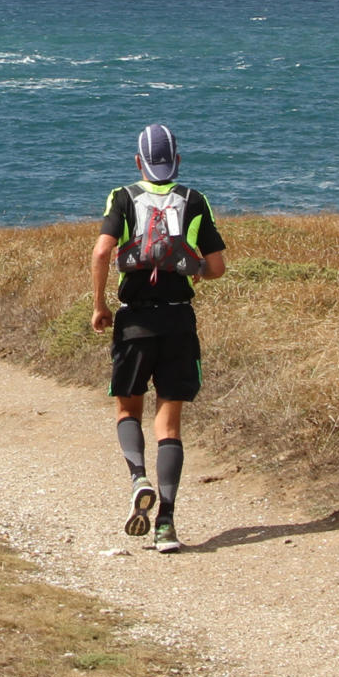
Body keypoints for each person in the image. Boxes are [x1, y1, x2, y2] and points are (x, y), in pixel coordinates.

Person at [89, 123, 226, 553]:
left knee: (127, 410)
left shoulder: (122, 197)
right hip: (178, 321)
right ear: (177, 161)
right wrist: (193, 269)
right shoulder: (195, 200)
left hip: (133, 322)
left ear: (139, 162)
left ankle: (138, 479)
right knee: (169, 424)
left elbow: (102, 251)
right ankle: (166, 524)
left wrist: (99, 305)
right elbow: (217, 267)